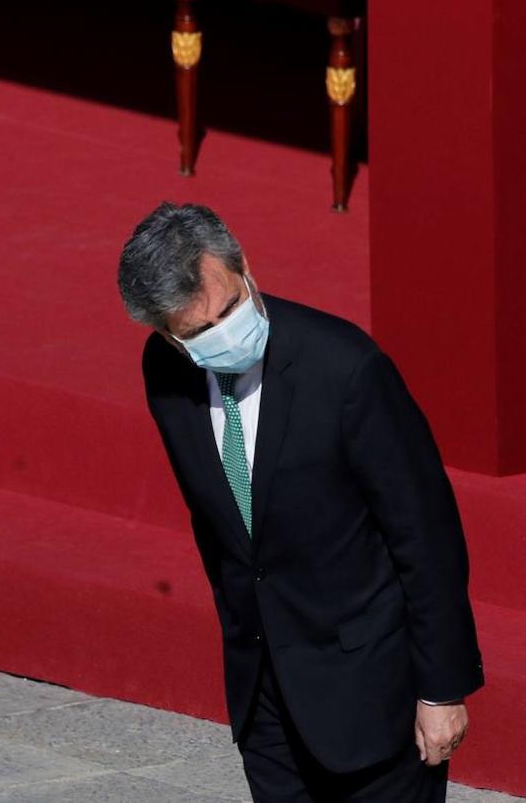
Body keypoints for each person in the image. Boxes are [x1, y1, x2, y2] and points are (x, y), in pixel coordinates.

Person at [116, 202, 483, 802]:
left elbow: (427, 534)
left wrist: (441, 690)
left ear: (245, 268)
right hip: (267, 701)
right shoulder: (166, 373)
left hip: (373, 699)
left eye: (229, 310)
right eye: (195, 333)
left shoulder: (345, 370)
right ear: (164, 333)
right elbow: (221, 527)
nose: (221, 336)